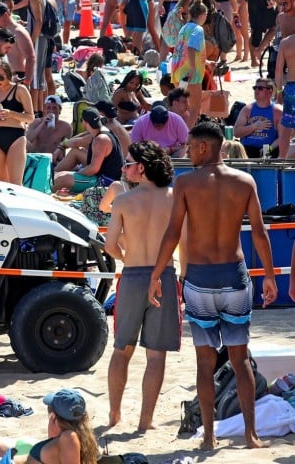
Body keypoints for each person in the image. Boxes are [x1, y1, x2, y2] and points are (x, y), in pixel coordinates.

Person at [148, 121, 277, 450]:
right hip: (235, 277)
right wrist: (270, 276)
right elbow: (260, 233)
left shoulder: (187, 183)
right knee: (240, 359)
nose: (188, 152)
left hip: (201, 280)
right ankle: (251, 435)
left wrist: (156, 274)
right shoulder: (244, 181)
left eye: (190, 147)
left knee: (205, 363)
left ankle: (208, 435)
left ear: (204, 147)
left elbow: (173, 232)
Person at [103, 141, 180, 431]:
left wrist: (127, 254)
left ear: (142, 167)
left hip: (133, 275)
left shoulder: (123, 201)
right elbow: (181, 242)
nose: (124, 168)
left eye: (128, 163)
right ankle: (145, 421)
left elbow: (109, 246)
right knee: (156, 354)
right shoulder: (173, 197)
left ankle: (114, 414)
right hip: (164, 276)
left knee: (122, 348)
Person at [53, 107, 124, 192]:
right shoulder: (102, 131)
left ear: (84, 123)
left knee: (63, 178)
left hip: (106, 182)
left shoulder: (100, 139)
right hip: (106, 174)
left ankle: (44, 189)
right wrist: (61, 147)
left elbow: (94, 169)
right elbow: (76, 142)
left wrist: (75, 175)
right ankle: (52, 175)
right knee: (75, 153)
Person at [170, 0, 209, 127]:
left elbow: (184, 51)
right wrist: (193, 68)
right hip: (190, 75)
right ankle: (186, 138)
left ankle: (180, 134)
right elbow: (191, 48)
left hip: (177, 72)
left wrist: (207, 63)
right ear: (203, 14)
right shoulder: (198, 29)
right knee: (194, 108)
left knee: (182, 108)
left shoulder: (184, 28)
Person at [236, 77, 283, 158]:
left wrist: (269, 149)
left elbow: (283, 136)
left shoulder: (277, 111)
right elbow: (236, 132)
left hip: (267, 149)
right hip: (246, 149)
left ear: (270, 91)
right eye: (255, 88)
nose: (256, 90)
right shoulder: (247, 109)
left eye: (260, 88)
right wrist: (254, 126)